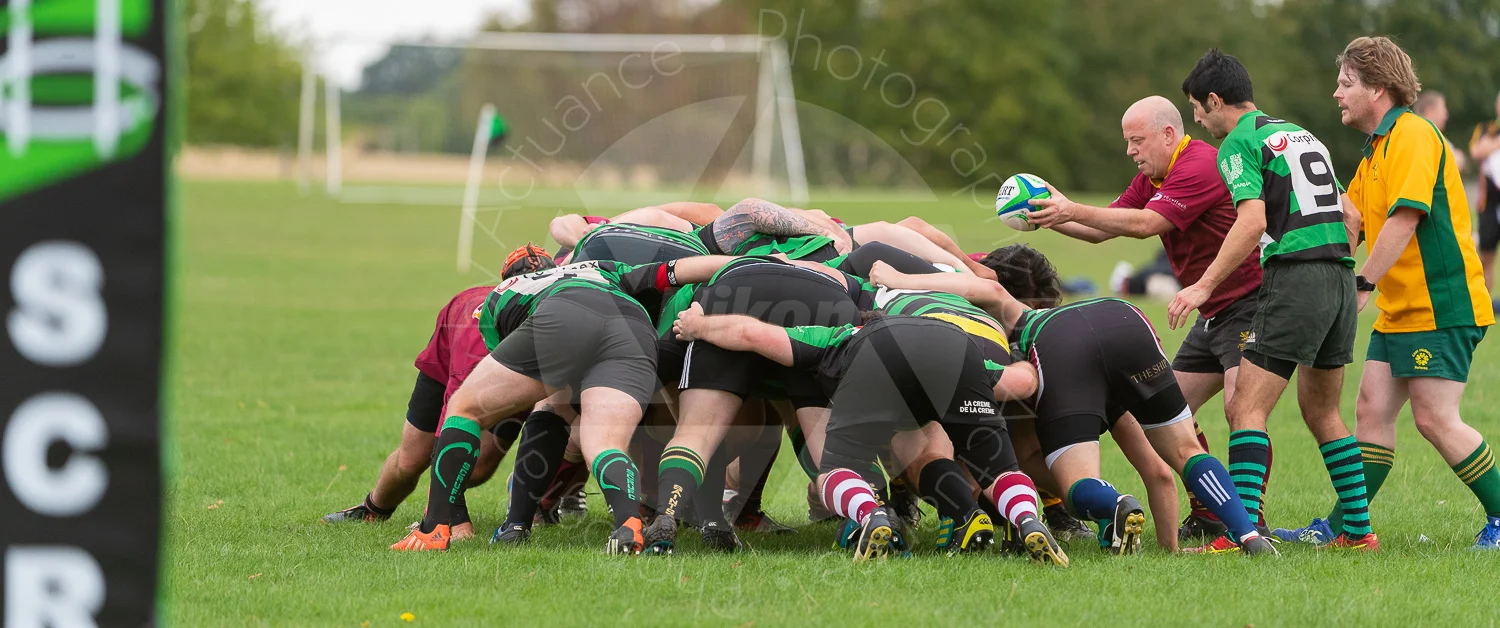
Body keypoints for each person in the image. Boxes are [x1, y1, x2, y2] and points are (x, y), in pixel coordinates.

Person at [868, 251, 1276, 557]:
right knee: (1185, 450)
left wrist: (898, 277)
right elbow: (1159, 474)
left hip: (1060, 347)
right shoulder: (1074, 323)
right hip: (1124, 317)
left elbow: (986, 288)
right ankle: (1249, 535)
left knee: (1075, 483)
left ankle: (1111, 503)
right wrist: (1168, 551)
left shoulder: (1015, 328)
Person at [1276, 37, 1499, 549]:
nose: (1337, 93)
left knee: (1435, 418)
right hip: (1402, 310)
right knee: (1371, 412)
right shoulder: (1375, 148)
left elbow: (1406, 217)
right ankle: (1345, 526)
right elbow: (1345, 221)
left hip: (1442, 305)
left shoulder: (1414, 135)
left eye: (1346, 83)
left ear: (1378, 88)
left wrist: (1361, 282)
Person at [1025, 94, 1267, 540]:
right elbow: (1104, 228)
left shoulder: (1198, 164)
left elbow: (1144, 226)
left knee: (1242, 408)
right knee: (1172, 408)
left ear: (1168, 134)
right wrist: (1044, 215)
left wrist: (1071, 207)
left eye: (1137, 141)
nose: (1130, 151)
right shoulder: (1154, 175)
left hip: (1251, 302)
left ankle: (1251, 524)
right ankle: (1211, 514)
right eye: (1127, 143)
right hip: (1210, 310)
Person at [390, 252, 740, 553]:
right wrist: (754, 261)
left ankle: (434, 529)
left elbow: (517, 383)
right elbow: (684, 268)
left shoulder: (501, 294)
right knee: (604, 441)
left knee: (465, 408)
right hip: (634, 329)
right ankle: (628, 524)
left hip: (562, 315)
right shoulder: (605, 268)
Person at [1170, 49, 1377, 552]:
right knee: (1323, 412)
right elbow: (1351, 216)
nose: (1196, 120)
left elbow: (1253, 222)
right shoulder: (1303, 135)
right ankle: (1359, 532)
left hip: (1297, 280)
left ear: (1215, 100)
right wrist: (1340, 272)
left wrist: (1202, 286)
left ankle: (1242, 535)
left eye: (1198, 108)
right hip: (1338, 280)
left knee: (1246, 408)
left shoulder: (1238, 143)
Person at [672, 305, 1065, 564]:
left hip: (875, 355)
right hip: (957, 349)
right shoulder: (939, 332)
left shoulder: (838, 335)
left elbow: (754, 334)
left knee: (833, 474)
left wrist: (699, 325)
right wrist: (1027, 362)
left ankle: (872, 514)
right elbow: (1019, 382)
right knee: (997, 472)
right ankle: (1029, 519)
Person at [1468, 90, 1500, 303]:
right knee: (1486, 255)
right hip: (1488, 202)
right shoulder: (1486, 129)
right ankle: (1485, 302)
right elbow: (1477, 151)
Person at [1413, 90, 1467, 171]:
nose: (1446, 115)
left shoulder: (1436, 137)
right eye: (1443, 108)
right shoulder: (1420, 138)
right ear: (1429, 110)